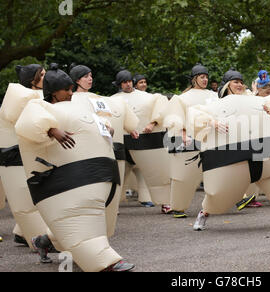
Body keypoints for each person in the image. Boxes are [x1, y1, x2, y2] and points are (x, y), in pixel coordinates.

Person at [16, 63, 134, 272]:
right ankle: (105, 262)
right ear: (53, 92)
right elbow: (28, 124)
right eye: (67, 90)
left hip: (98, 176)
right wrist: (52, 129)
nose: (71, 93)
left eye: (72, 89)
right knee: (80, 223)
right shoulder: (40, 108)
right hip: (65, 183)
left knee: (88, 223)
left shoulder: (79, 107)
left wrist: (104, 126)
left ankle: (44, 241)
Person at [190, 69, 270, 231]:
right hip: (231, 157)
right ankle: (205, 212)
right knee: (219, 196)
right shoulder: (214, 105)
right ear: (227, 85)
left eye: (241, 82)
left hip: (264, 153)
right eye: (235, 81)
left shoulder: (257, 101)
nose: (240, 85)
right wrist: (212, 122)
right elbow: (194, 115)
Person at [70, 64, 139, 237]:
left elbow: (110, 117)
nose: (90, 79)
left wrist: (129, 128)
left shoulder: (99, 99)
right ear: (77, 80)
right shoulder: (70, 100)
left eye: (91, 75)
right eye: (86, 76)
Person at [0, 64, 49, 250]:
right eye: (41, 75)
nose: (46, 77)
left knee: (37, 197)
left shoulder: (36, 97)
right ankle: (38, 240)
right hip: (14, 157)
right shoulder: (21, 99)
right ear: (31, 79)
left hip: (26, 154)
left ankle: (21, 233)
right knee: (26, 202)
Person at [112, 70, 172, 213]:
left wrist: (152, 123)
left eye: (129, 81)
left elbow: (162, 109)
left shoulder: (149, 98)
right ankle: (112, 206)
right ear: (120, 84)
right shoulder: (113, 100)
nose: (127, 84)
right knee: (119, 171)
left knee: (156, 170)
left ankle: (165, 202)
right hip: (121, 139)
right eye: (124, 82)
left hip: (145, 137)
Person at [163, 64, 217, 218]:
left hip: (212, 139)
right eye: (202, 77)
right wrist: (183, 134)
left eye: (206, 76)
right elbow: (175, 117)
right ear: (194, 79)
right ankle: (178, 207)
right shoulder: (181, 98)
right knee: (184, 176)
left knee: (214, 174)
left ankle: (214, 205)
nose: (205, 79)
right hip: (190, 140)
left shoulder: (214, 96)